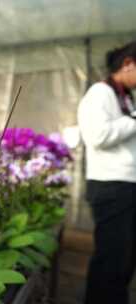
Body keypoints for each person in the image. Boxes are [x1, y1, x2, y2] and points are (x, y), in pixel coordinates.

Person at [78, 40, 136, 304]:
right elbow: (97, 135)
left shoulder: (123, 95)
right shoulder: (100, 93)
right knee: (113, 259)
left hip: (124, 185)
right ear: (128, 63)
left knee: (123, 260)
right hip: (112, 186)